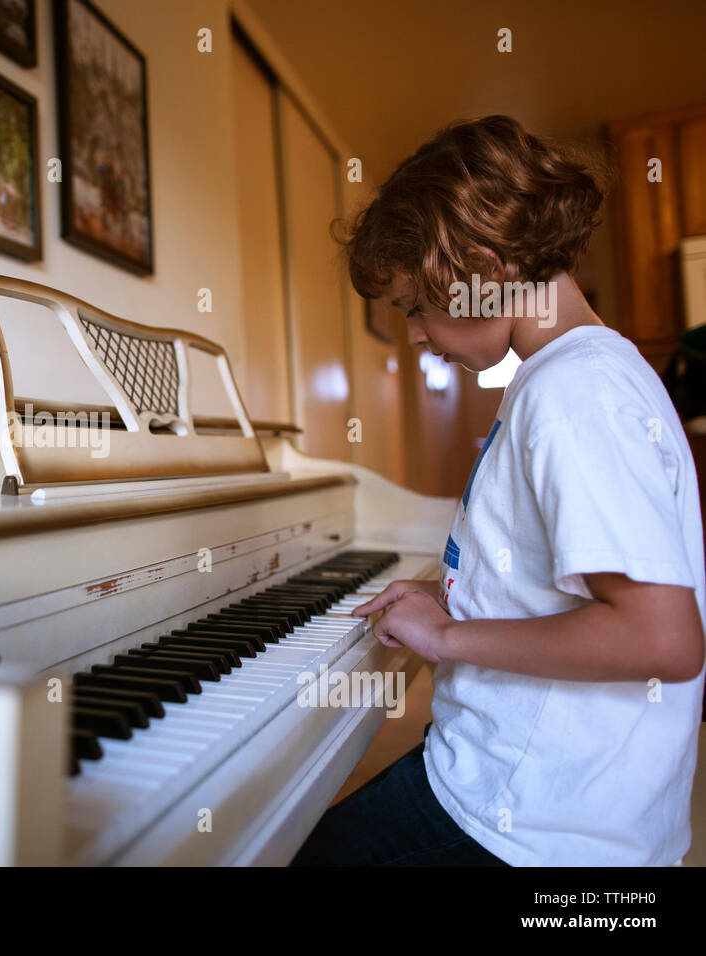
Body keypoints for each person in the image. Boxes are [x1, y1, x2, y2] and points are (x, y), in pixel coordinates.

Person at [289, 115, 706, 867]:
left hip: (529, 829)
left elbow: (661, 638)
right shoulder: (570, 376)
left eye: (416, 306)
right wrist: (466, 607)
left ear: (483, 266)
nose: (414, 334)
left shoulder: (575, 392)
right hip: (524, 793)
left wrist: (447, 637)